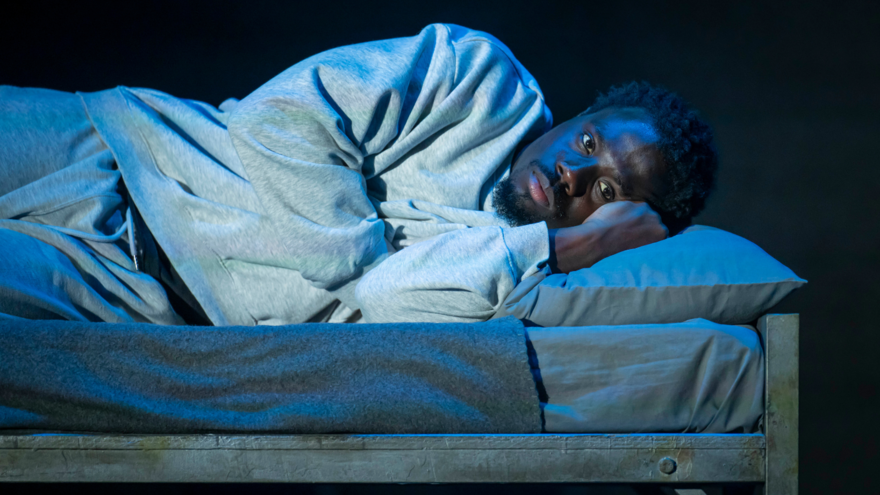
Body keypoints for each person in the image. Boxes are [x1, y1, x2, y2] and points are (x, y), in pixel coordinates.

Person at [0, 23, 716, 325]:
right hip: (115, 147)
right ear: (579, 115)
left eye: (607, 190)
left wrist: (563, 246)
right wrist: (362, 265)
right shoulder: (477, 76)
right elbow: (280, 119)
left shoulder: (515, 272)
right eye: (588, 140)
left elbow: (385, 303)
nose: (572, 172)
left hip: (134, 294)